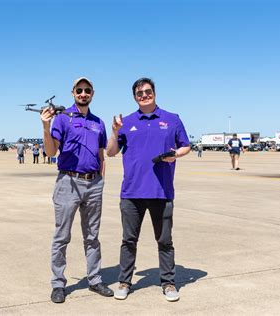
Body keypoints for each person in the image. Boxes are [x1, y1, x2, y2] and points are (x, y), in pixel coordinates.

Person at [106, 77, 191, 302]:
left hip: (161, 191)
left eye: (147, 91)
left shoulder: (172, 119)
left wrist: (177, 155)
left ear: (154, 92)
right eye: (139, 93)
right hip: (132, 192)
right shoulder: (127, 121)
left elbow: (186, 145)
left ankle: (169, 283)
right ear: (135, 97)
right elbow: (111, 152)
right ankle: (124, 281)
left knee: (164, 241)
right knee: (128, 240)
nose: (144, 95)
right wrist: (114, 131)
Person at [40, 77, 113, 303]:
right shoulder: (62, 118)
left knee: (92, 236)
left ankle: (94, 279)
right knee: (62, 235)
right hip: (68, 183)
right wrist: (45, 125)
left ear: (92, 93)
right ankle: (58, 283)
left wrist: (100, 180)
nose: (83, 94)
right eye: (79, 90)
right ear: (73, 93)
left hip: (93, 184)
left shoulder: (98, 123)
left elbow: (101, 155)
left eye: (87, 90)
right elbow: (52, 152)